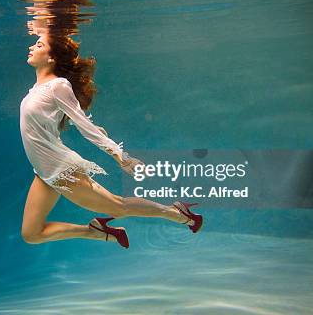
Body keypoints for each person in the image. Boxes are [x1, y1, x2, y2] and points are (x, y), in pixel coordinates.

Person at [20, 34, 203, 249]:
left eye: (39, 44)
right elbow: (59, 119)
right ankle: (98, 232)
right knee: (31, 234)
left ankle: (178, 214)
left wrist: (121, 156)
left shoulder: (57, 85)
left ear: (51, 58)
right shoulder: (38, 88)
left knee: (118, 207)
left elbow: (84, 127)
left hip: (61, 170)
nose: (32, 46)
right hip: (43, 172)